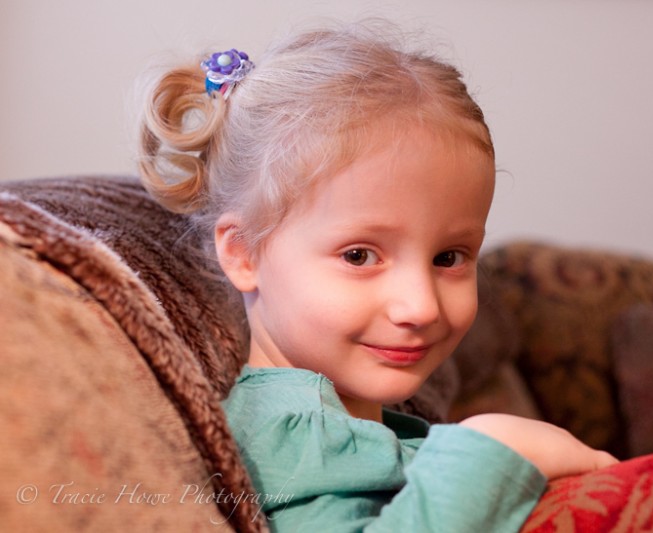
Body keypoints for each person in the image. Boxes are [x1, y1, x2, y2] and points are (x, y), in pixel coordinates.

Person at [137, 21, 616, 532]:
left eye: (449, 258)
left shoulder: (354, 425)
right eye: (360, 256)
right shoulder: (286, 438)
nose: (422, 307)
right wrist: (489, 452)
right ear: (245, 254)